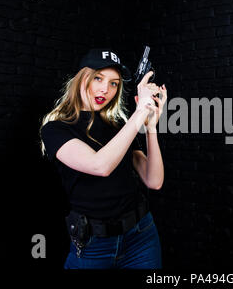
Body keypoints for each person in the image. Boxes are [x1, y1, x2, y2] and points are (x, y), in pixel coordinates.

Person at [39, 48, 167, 269]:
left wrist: (151, 127)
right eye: (98, 78)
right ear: (82, 78)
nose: (105, 89)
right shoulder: (55, 129)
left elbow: (153, 180)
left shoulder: (119, 126)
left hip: (141, 236)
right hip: (94, 245)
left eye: (114, 83)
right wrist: (138, 114)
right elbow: (100, 165)